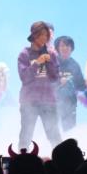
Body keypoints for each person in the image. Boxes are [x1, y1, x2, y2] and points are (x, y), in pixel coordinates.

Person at [17, 21, 62, 150]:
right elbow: (24, 77)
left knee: (54, 135)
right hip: (29, 101)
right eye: (41, 35)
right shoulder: (24, 54)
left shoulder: (51, 53)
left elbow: (55, 77)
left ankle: (61, 159)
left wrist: (50, 62)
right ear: (34, 35)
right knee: (26, 135)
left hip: (48, 100)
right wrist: (37, 62)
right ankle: (21, 159)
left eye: (46, 35)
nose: (44, 38)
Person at [55, 35, 84, 133]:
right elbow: (45, 82)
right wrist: (59, 81)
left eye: (67, 46)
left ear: (71, 48)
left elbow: (81, 86)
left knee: (69, 132)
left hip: (70, 104)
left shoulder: (75, 65)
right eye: (62, 46)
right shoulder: (52, 63)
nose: (65, 48)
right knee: (52, 131)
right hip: (53, 104)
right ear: (57, 48)